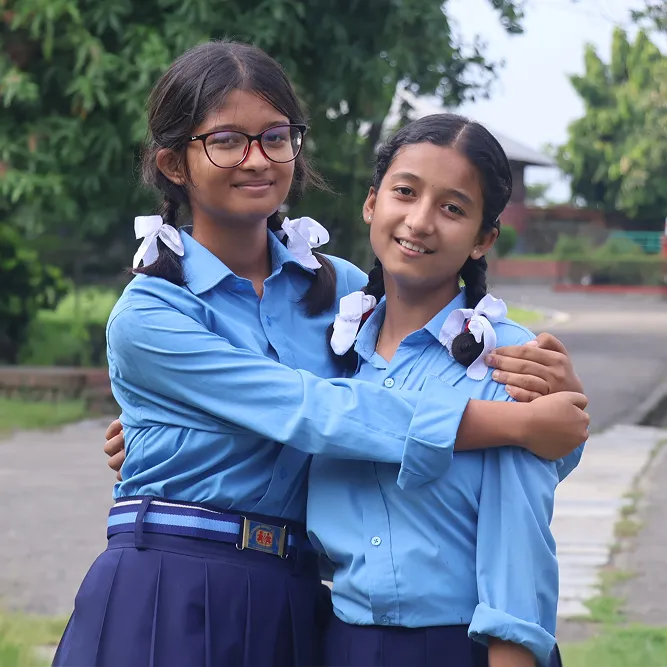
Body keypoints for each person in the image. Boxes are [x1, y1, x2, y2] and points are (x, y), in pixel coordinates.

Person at [58, 40, 588, 667]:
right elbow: (315, 410)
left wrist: (560, 405)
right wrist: (520, 422)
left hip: (296, 595)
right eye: (226, 141)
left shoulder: (340, 296)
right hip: (174, 583)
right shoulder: (150, 313)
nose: (256, 159)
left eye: (275, 137)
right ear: (175, 164)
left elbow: (487, 439)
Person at [308, 113, 572, 667]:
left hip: (458, 647)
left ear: (483, 239)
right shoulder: (329, 351)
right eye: (405, 193)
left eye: (453, 208)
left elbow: (517, 557)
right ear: (372, 202)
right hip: (340, 643)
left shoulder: (507, 363)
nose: (421, 221)